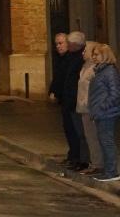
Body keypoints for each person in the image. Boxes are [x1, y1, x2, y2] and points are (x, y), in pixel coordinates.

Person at [49, 32, 88, 170]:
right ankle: (73, 156)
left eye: (61, 43)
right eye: (56, 44)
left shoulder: (75, 59)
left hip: (74, 101)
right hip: (66, 100)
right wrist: (54, 91)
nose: (58, 46)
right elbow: (59, 79)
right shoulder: (63, 59)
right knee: (69, 129)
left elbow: (72, 81)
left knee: (77, 131)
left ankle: (79, 158)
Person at [88, 44, 120, 182]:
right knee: (104, 141)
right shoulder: (101, 71)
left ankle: (112, 172)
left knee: (107, 142)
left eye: (96, 54)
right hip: (101, 112)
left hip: (107, 113)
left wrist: (102, 107)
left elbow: (115, 93)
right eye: (93, 54)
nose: (94, 57)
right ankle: (108, 170)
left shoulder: (109, 71)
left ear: (105, 55)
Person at [75, 42, 104, 176]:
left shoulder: (94, 68)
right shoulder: (85, 66)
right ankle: (95, 163)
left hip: (91, 108)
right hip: (83, 107)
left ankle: (98, 164)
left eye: (85, 50)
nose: (82, 52)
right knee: (89, 136)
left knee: (94, 137)